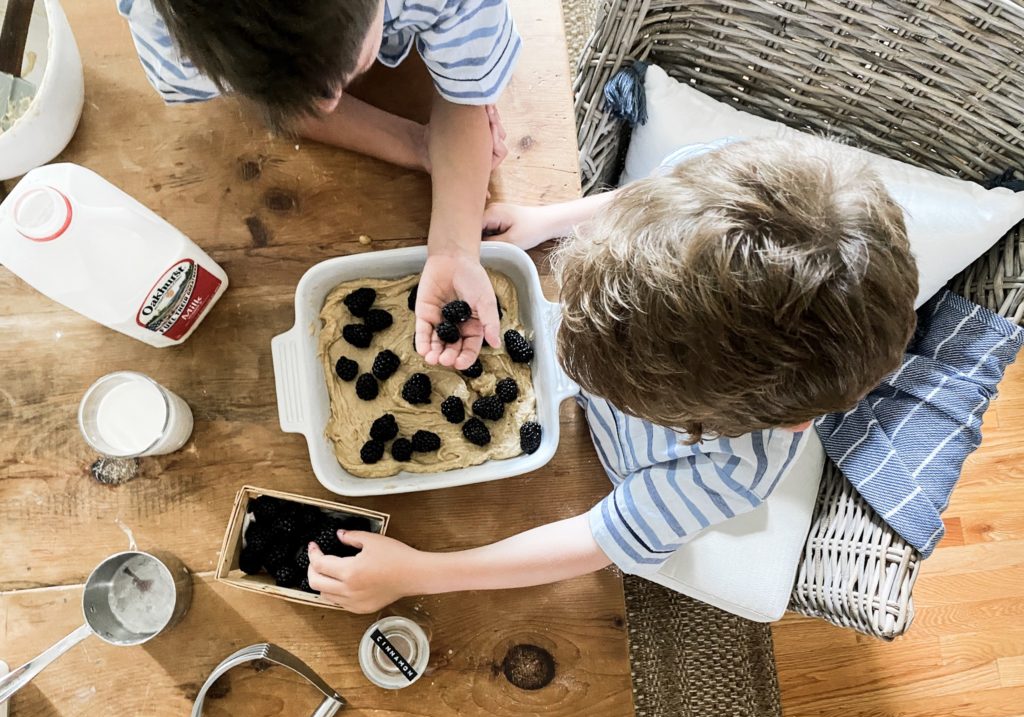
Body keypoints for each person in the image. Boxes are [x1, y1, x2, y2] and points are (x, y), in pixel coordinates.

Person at [305, 135, 920, 612]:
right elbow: (648, 200)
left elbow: (594, 541)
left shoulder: (728, 475)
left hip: (607, 467)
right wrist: (552, 220)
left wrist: (420, 574)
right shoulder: (716, 191)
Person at [117, 0, 519, 368]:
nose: (328, 105)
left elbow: (466, 95)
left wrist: (456, 249)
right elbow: (278, 107)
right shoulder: (174, 41)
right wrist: (415, 143)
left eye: (340, 79)